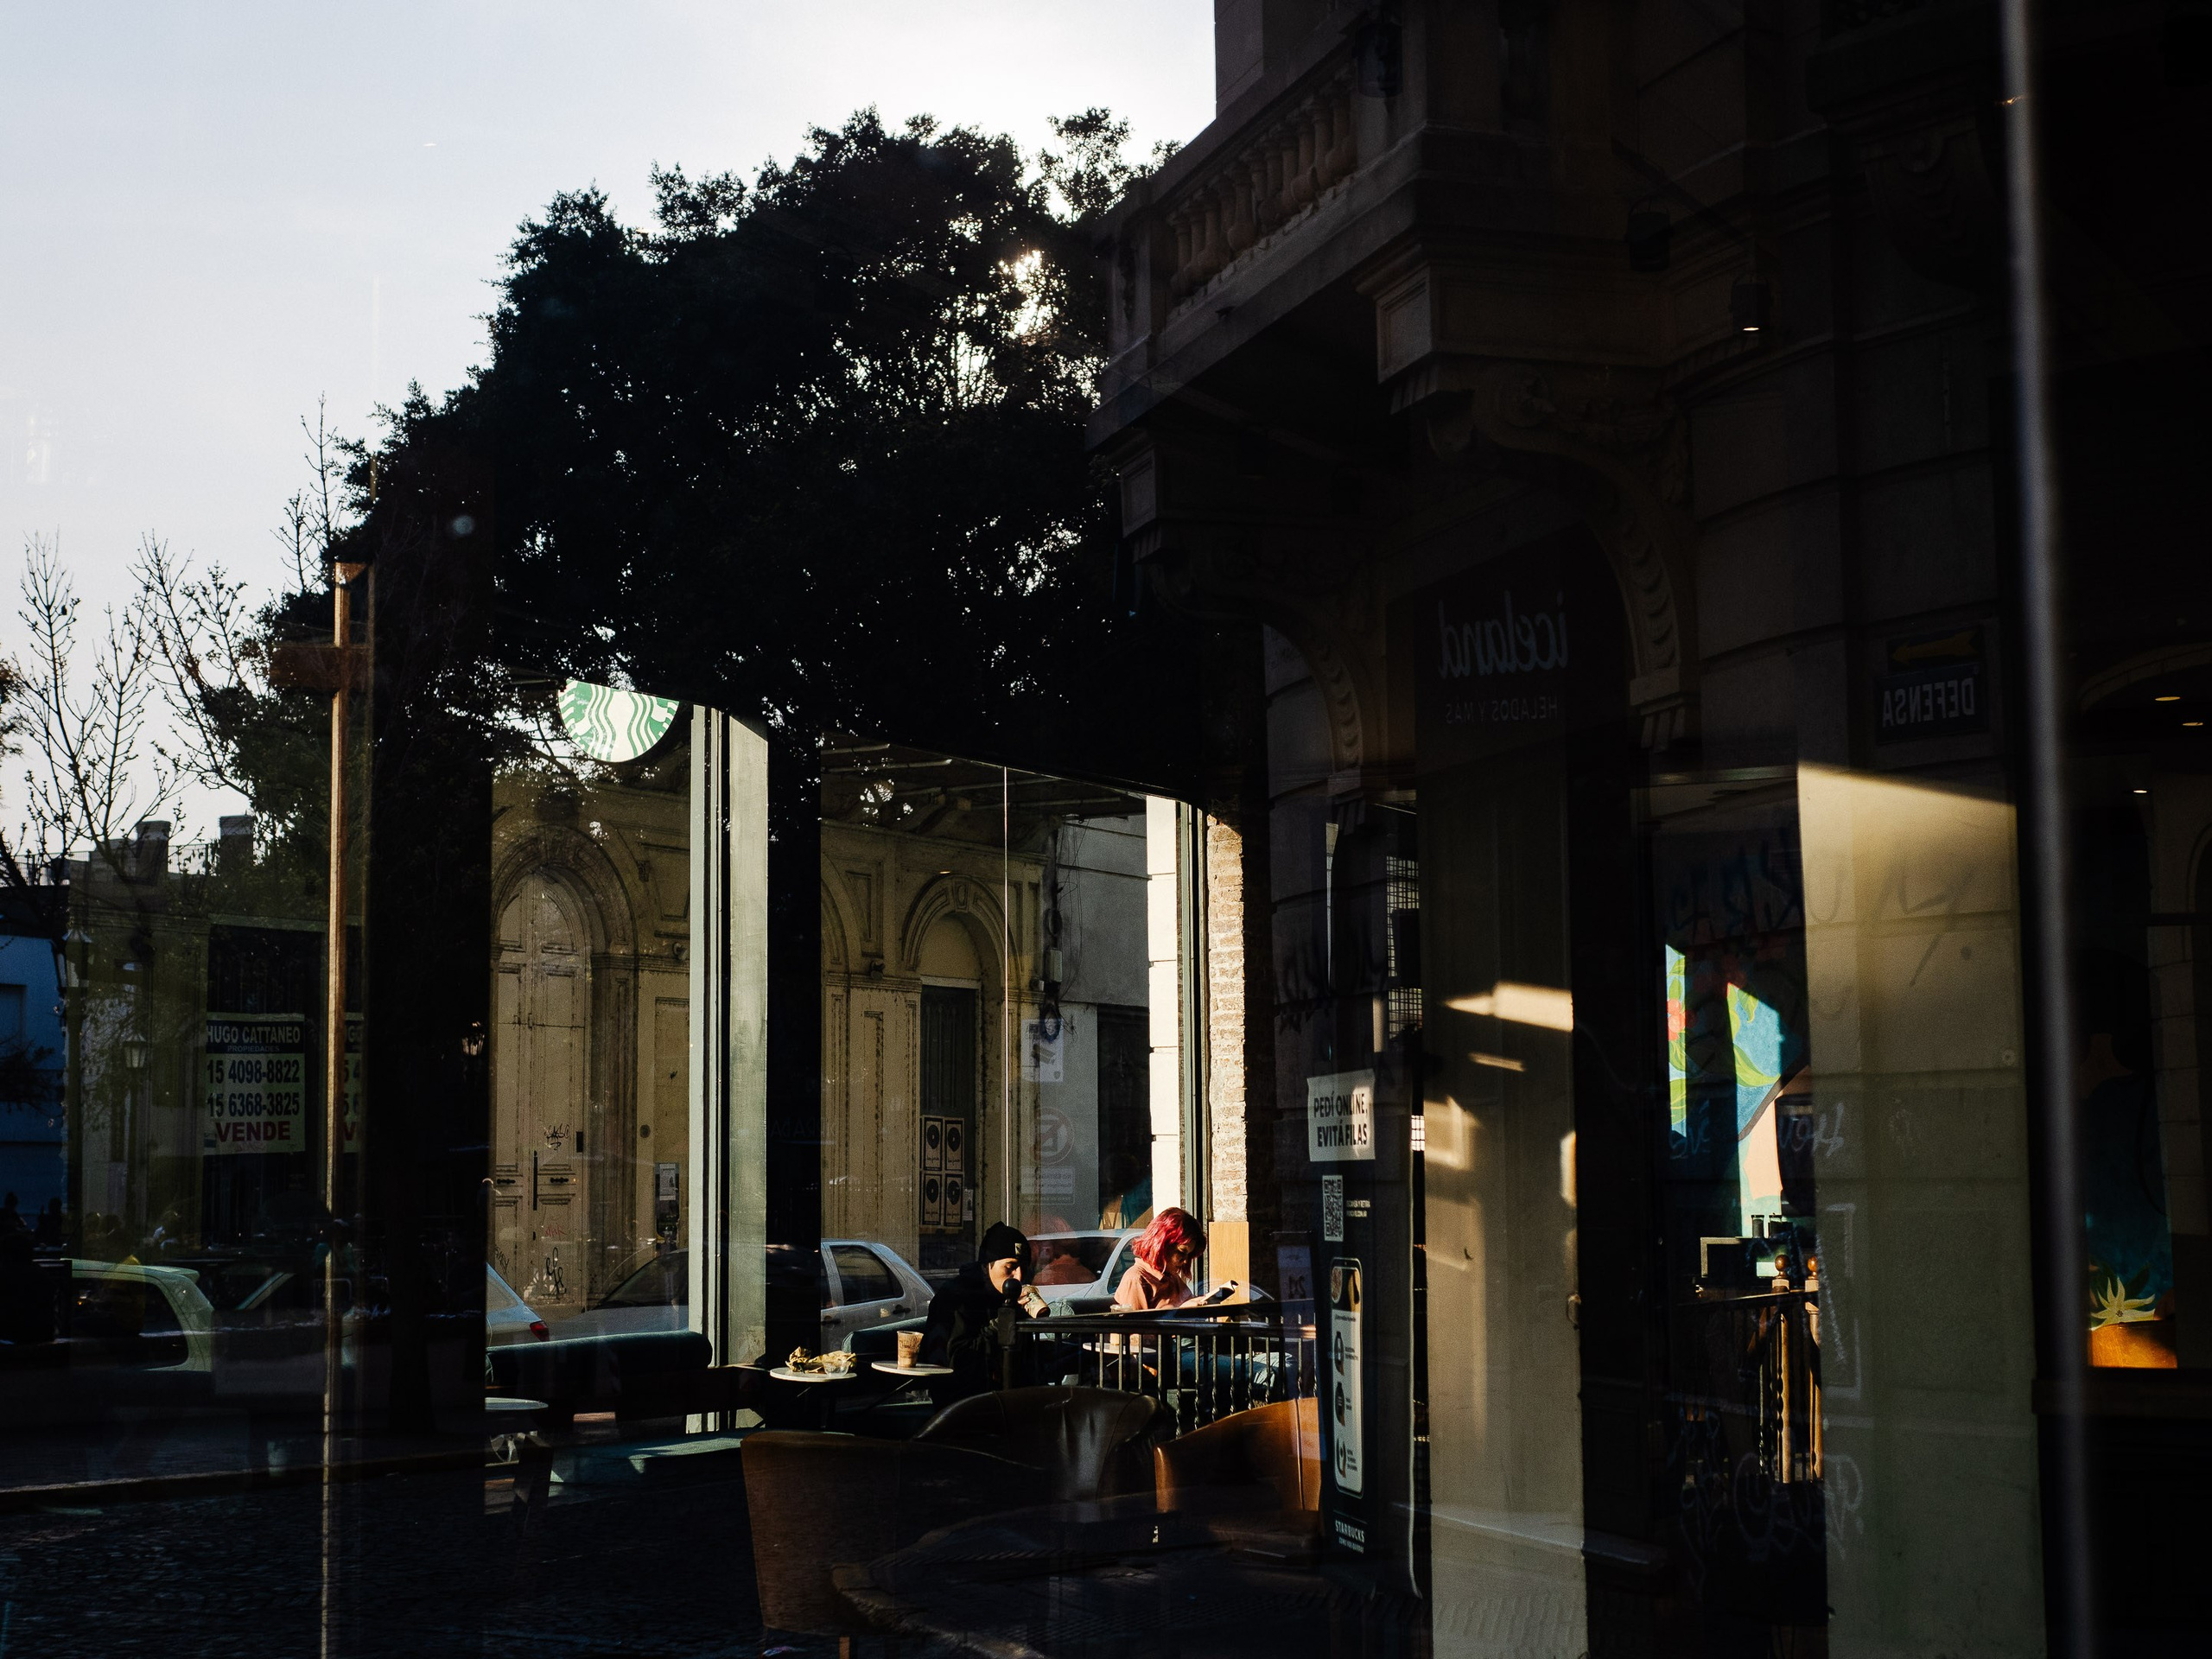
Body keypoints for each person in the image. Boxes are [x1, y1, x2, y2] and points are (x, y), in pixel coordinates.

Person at [918, 1222, 1050, 1399]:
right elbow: (954, 1362)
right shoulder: (956, 1299)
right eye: (1009, 1268)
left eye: (1024, 1268)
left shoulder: (1009, 1300)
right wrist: (1004, 1321)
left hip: (1011, 1401)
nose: (1018, 1276)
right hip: (963, 1405)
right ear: (986, 1266)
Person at [1112, 1206, 1203, 1312]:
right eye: (1181, 1252)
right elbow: (1135, 1327)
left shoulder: (1171, 1276)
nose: (1186, 1261)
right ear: (1162, 1245)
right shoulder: (1136, 1279)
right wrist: (1180, 1311)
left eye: (1189, 1255)